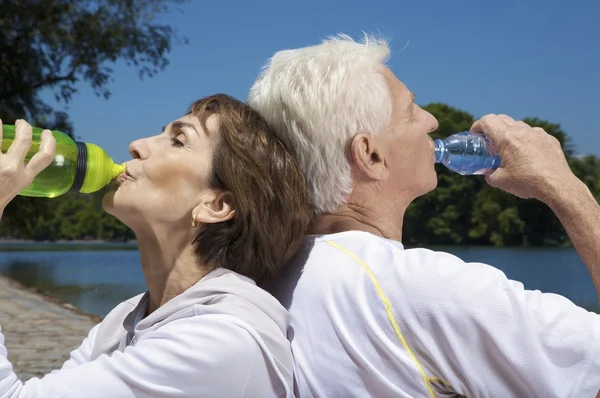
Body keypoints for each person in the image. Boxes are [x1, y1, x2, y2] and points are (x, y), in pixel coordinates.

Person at [248, 34, 600, 397]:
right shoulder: (420, 287)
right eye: (410, 110)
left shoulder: (268, 276)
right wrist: (564, 188)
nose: (431, 121)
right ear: (371, 156)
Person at [0, 94, 310, 397]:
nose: (136, 145)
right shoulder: (125, 320)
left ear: (215, 205)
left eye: (178, 140)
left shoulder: (222, 341)